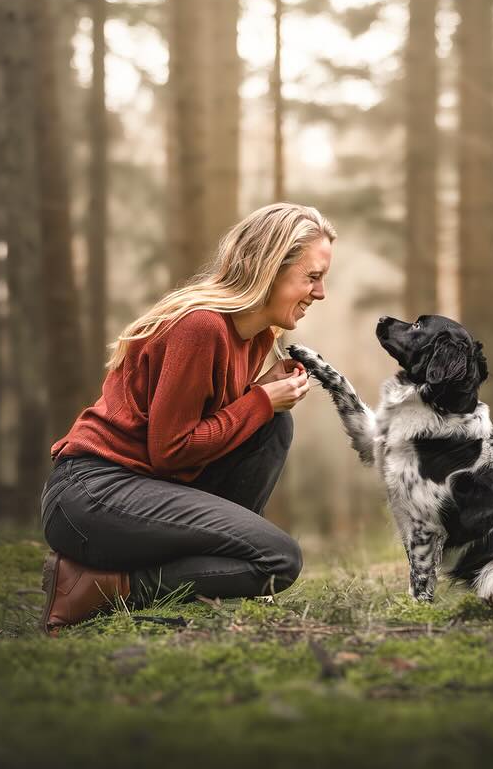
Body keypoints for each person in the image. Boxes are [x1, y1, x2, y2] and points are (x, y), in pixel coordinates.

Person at [38, 202, 336, 634]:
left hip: (144, 490)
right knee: (279, 559)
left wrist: (259, 400)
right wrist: (258, 401)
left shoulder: (252, 337)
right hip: (91, 495)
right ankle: (97, 585)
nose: (320, 292)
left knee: (273, 426)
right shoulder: (201, 327)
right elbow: (171, 451)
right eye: (312, 277)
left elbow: (209, 436)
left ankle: (218, 577)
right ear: (270, 268)